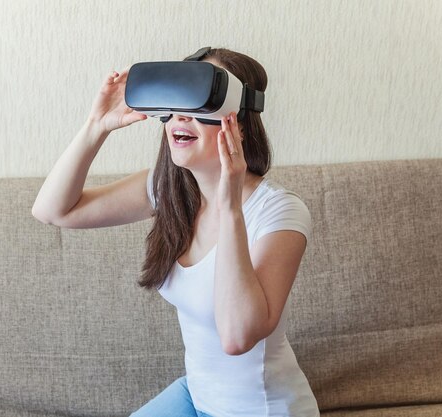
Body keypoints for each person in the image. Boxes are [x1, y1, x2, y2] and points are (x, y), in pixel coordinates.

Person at [32, 47, 320, 417]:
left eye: (200, 103)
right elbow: (52, 211)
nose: (180, 117)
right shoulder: (167, 190)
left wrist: (229, 205)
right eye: (175, 101)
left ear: (241, 122)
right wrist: (97, 126)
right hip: (196, 396)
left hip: (259, 409)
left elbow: (236, 337)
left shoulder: (279, 211)